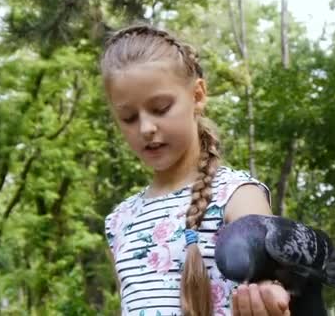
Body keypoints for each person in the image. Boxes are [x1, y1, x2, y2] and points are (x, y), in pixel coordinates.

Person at [101, 24, 290, 316]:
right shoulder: (119, 222)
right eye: (128, 117)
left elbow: (271, 279)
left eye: (161, 108)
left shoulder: (237, 196)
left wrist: (270, 296)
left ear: (198, 95)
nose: (146, 128)